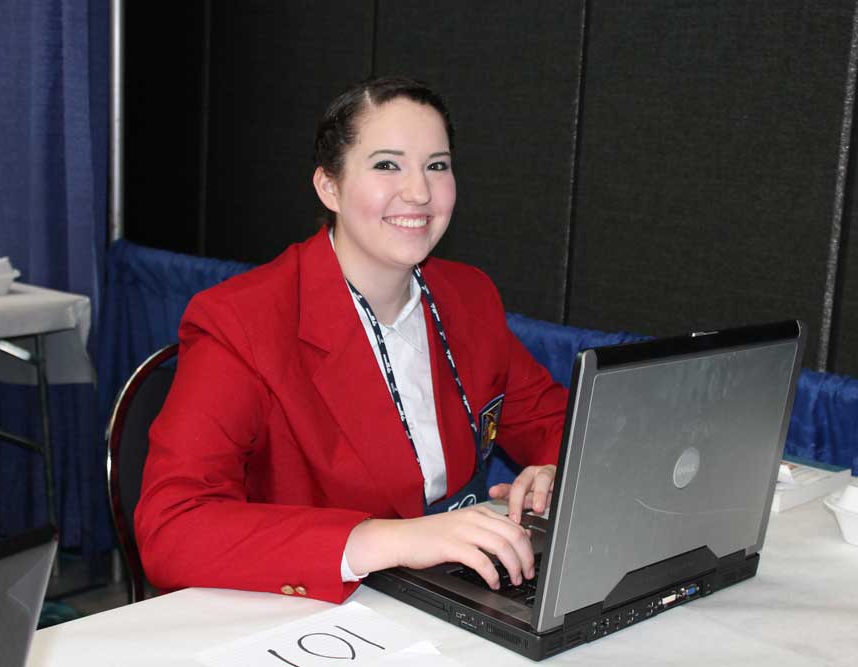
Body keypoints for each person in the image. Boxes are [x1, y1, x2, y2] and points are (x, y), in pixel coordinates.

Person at [135, 76, 569, 604]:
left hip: (453, 594)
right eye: (387, 164)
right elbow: (172, 530)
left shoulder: (468, 295)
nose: (419, 192)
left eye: (437, 165)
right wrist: (388, 539)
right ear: (329, 187)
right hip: (316, 612)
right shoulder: (242, 321)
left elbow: (554, 423)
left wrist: (553, 469)